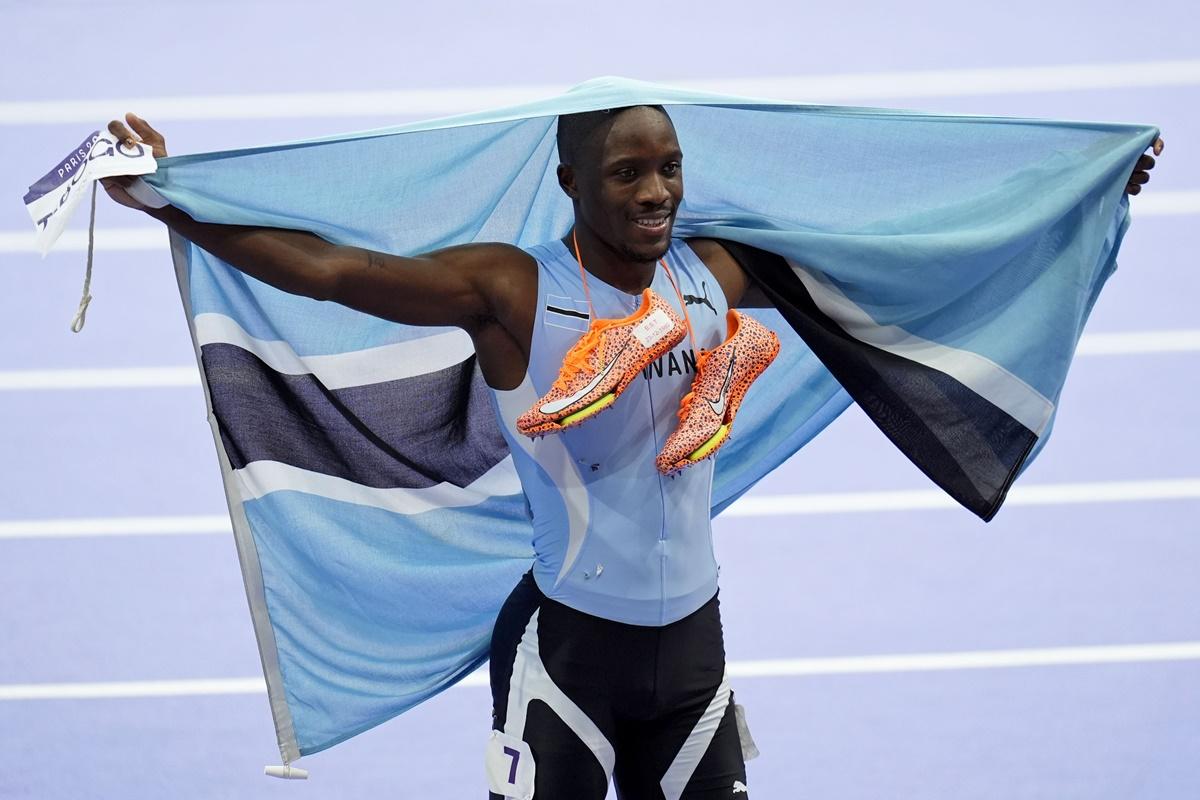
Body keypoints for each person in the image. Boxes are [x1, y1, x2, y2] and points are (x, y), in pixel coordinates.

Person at [102, 105, 1161, 799]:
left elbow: (903, 235)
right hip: (566, 659)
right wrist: (163, 195)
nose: (655, 191)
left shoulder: (709, 278)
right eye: (625, 173)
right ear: (568, 181)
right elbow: (332, 271)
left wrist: (1081, 190)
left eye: (668, 168)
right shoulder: (510, 292)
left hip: (693, 656)